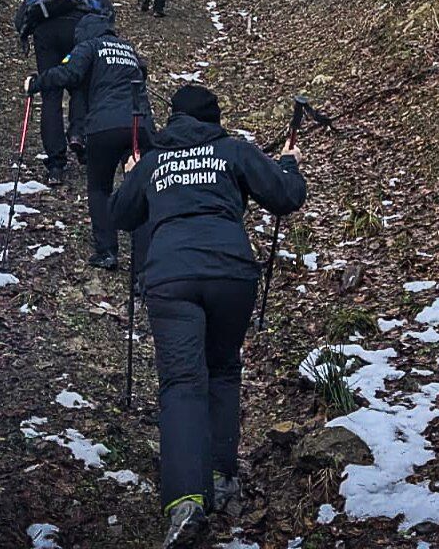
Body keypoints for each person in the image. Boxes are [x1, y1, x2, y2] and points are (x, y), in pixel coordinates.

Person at [110, 85, 306, 548]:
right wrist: (289, 161)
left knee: (181, 383)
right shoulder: (232, 151)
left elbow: (121, 214)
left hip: (170, 277)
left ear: (174, 120)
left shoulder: (156, 161)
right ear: (214, 118)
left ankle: (185, 499)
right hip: (231, 276)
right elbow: (285, 196)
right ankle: (221, 474)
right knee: (221, 370)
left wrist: (132, 173)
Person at [26, 13, 154, 269]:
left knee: (99, 188)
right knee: (141, 191)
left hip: (104, 127)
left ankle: (107, 251)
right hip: (140, 125)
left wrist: (36, 83)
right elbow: (143, 71)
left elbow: (69, 74)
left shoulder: (89, 46)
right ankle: (145, 267)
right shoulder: (127, 48)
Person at [14, 0, 113, 186]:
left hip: (45, 35)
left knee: (51, 94)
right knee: (79, 83)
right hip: (76, 30)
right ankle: (78, 135)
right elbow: (106, 8)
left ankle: (56, 164)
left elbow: (20, 19)